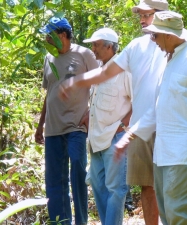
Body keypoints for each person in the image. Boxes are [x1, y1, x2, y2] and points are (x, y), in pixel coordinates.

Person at [59, 1, 169, 224]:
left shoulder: (175, 47)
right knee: (139, 186)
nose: (141, 19)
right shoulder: (134, 48)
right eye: (140, 14)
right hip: (120, 134)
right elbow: (103, 79)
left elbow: (135, 101)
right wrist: (76, 84)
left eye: (146, 14)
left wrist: (122, 128)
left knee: (161, 188)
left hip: (154, 127)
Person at [117, 11, 187, 224]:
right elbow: (157, 108)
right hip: (161, 150)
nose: (153, 42)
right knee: (165, 211)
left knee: (178, 213)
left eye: (155, 36)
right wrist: (131, 134)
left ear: (169, 35)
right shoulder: (169, 61)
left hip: (181, 149)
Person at [35, 17, 99, 225]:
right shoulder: (49, 58)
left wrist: (91, 114)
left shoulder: (84, 54)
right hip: (53, 128)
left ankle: (81, 221)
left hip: (77, 126)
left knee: (78, 172)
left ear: (62, 35)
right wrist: (40, 125)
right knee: (54, 180)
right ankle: (60, 222)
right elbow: (50, 93)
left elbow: (100, 83)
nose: (47, 39)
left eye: (49, 35)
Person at [81, 28, 133, 224]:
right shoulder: (100, 71)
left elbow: (138, 103)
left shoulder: (125, 71)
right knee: (97, 185)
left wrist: (122, 124)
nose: (93, 49)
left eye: (96, 44)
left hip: (115, 137)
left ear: (109, 46)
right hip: (96, 139)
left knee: (116, 189)